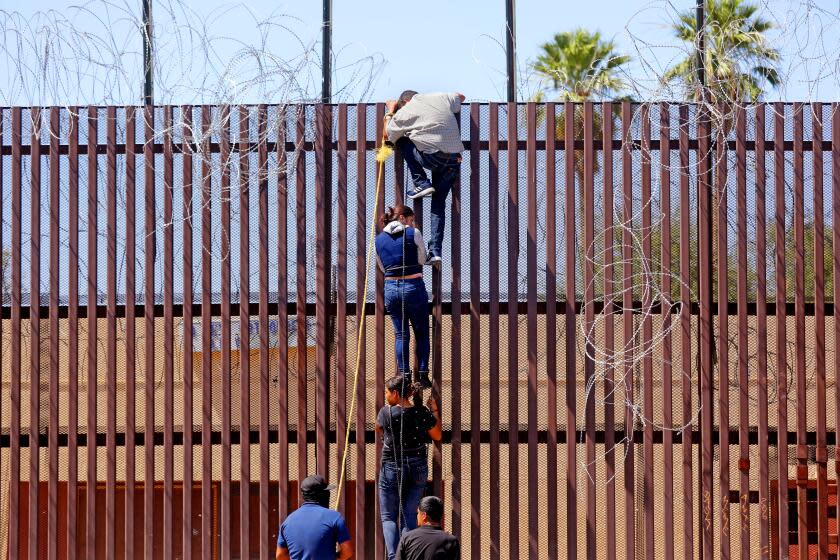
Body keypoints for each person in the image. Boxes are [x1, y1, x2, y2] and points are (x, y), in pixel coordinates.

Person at [384, 90, 465, 265]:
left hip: (432, 156)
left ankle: (421, 182)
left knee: (403, 141)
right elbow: (461, 97)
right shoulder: (440, 97)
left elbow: (388, 136)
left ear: (404, 103)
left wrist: (391, 111)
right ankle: (435, 252)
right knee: (438, 204)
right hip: (453, 159)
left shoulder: (406, 111)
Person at [376, 376, 443, 560]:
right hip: (417, 465)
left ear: (396, 394)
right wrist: (434, 410)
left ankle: (393, 556)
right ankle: (409, 557)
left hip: (392, 466)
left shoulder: (386, 412)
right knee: (409, 514)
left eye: (387, 392)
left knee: (389, 516)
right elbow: (437, 435)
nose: (386, 396)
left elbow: (378, 428)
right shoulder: (421, 412)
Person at [375, 204, 431, 388]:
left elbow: (382, 268)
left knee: (401, 334)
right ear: (403, 218)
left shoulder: (378, 240)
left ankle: (405, 376)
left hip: (391, 288)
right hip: (412, 285)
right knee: (421, 332)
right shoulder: (412, 233)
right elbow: (422, 259)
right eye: (411, 219)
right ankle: (422, 376)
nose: (411, 222)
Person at [276, 474, 353, 560]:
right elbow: (347, 551)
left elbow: (280, 556)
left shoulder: (288, 521)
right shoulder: (334, 517)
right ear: (323, 494)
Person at [395, 496, 460, 560]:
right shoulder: (451, 541)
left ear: (424, 516)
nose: (417, 516)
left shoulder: (407, 538)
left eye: (418, 513)